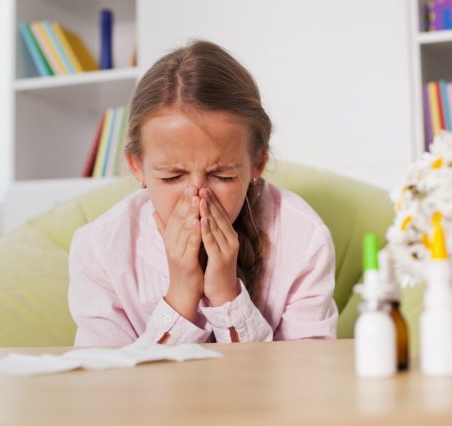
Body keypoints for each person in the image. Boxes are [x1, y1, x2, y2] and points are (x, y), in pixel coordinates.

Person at [68, 40, 338, 346]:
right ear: (137, 166)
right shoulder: (99, 248)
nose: (197, 197)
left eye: (222, 175)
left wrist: (226, 295)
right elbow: (105, 381)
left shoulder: (302, 236)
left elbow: (307, 374)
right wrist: (181, 297)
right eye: (172, 176)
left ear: (257, 163)